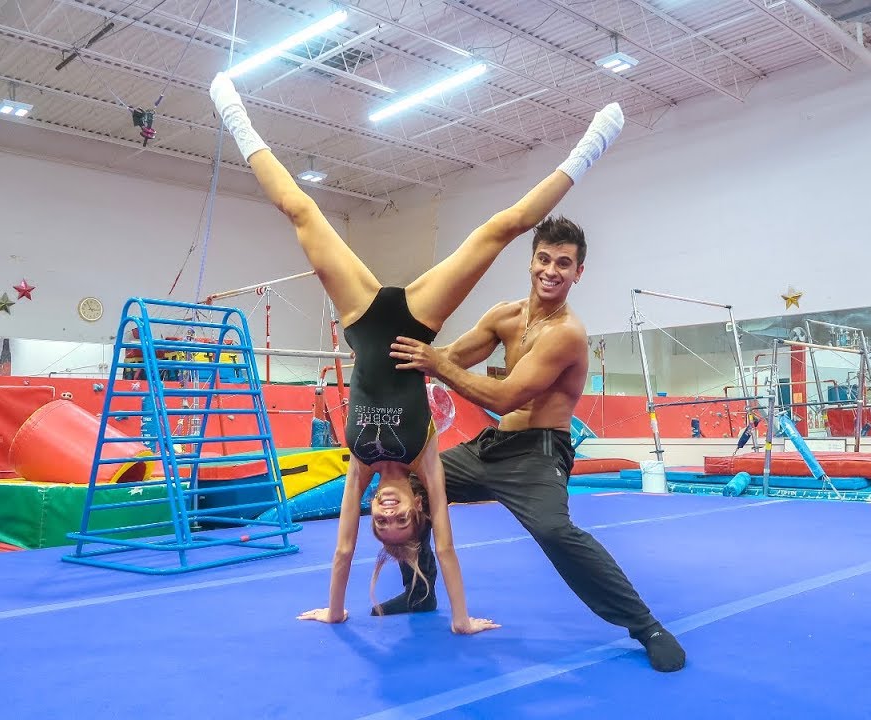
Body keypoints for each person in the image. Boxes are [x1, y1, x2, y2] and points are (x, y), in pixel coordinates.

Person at [208, 72, 625, 635]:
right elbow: (449, 545)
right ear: (414, 505)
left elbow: (341, 551)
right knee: (503, 227)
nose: (389, 509)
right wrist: (463, 619)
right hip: (414, 323)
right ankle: (594, 143)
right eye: (401, 515)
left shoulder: (361, 464)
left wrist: (334, 609)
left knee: (300, 211)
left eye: (386, 517)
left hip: (360, 321)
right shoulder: (425, 457)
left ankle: (233, 114)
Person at [384, 218, 688, 671]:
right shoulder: (505, 316)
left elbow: (506, 396)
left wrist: (436, 366)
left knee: (553, 531)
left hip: (540, 453)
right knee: (411, 485)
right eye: (544, 259)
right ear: (531, 261)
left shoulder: (566, 334)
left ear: (578, 272)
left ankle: (647, 627)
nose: (551, 270)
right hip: (493, 445)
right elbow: (451, 358)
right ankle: (419, 590)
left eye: (564, 263)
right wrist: (394, 356)